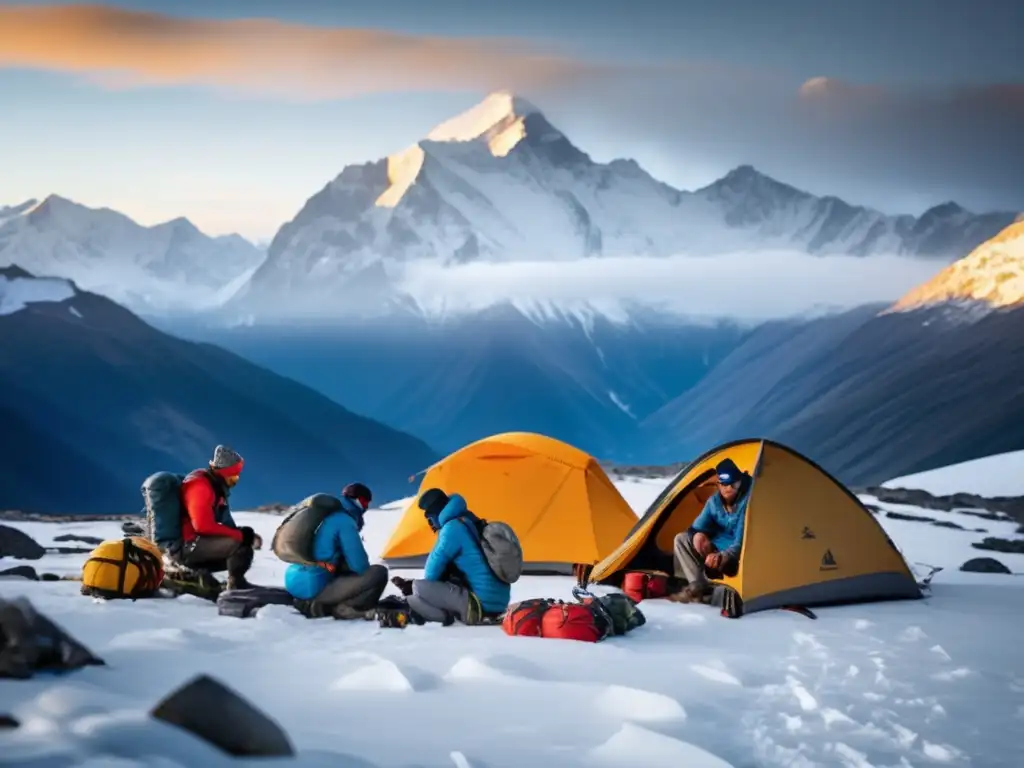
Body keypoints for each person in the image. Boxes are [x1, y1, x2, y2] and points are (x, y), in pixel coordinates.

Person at [390, 488, 510, 626]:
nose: (431, 524)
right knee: (420, 594)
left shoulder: (452, 528)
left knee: (418, 587)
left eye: (429, 519)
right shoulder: (469, 520)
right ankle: (435, 612)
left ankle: (432, 613)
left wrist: (412, 586)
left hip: (479, 605)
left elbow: (431, 572)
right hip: (499, 603)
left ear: (434, 514)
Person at [287, 483, 389, 620]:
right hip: (315, 587)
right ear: (359, 500)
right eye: (366, 502)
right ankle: (345, 607)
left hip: (295, 582)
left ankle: (315, 601)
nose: (366, 507)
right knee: (378, 572)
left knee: (341, 564)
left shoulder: (323, 517)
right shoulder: (344, 520)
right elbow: (360, 565)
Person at [176, 445, 260, 591]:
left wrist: (239, 532)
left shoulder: (211, 484)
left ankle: (201, 575)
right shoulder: (201, 487)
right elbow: (202, 526)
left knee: (243, 541)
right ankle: (236, 586)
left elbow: (219, 518)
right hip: (186, 544)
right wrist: (239, 535)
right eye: (233, 478)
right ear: (224, 473)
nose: (234, 482)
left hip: (191, 541)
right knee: (240, 546)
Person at [668, 458, 750, 602]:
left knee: (730, 558)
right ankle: (697, 587)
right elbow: (695, 528)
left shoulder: (749, 501)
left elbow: (741, 541)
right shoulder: (714, 502)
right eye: (724, 484)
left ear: (740, 482)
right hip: (717, 547)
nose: (729, 488)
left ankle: (720, 589)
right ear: (718, 484)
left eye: (734, 484)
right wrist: (700, 539)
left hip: (741, 551)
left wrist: (724, 555)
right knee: (682, 539)